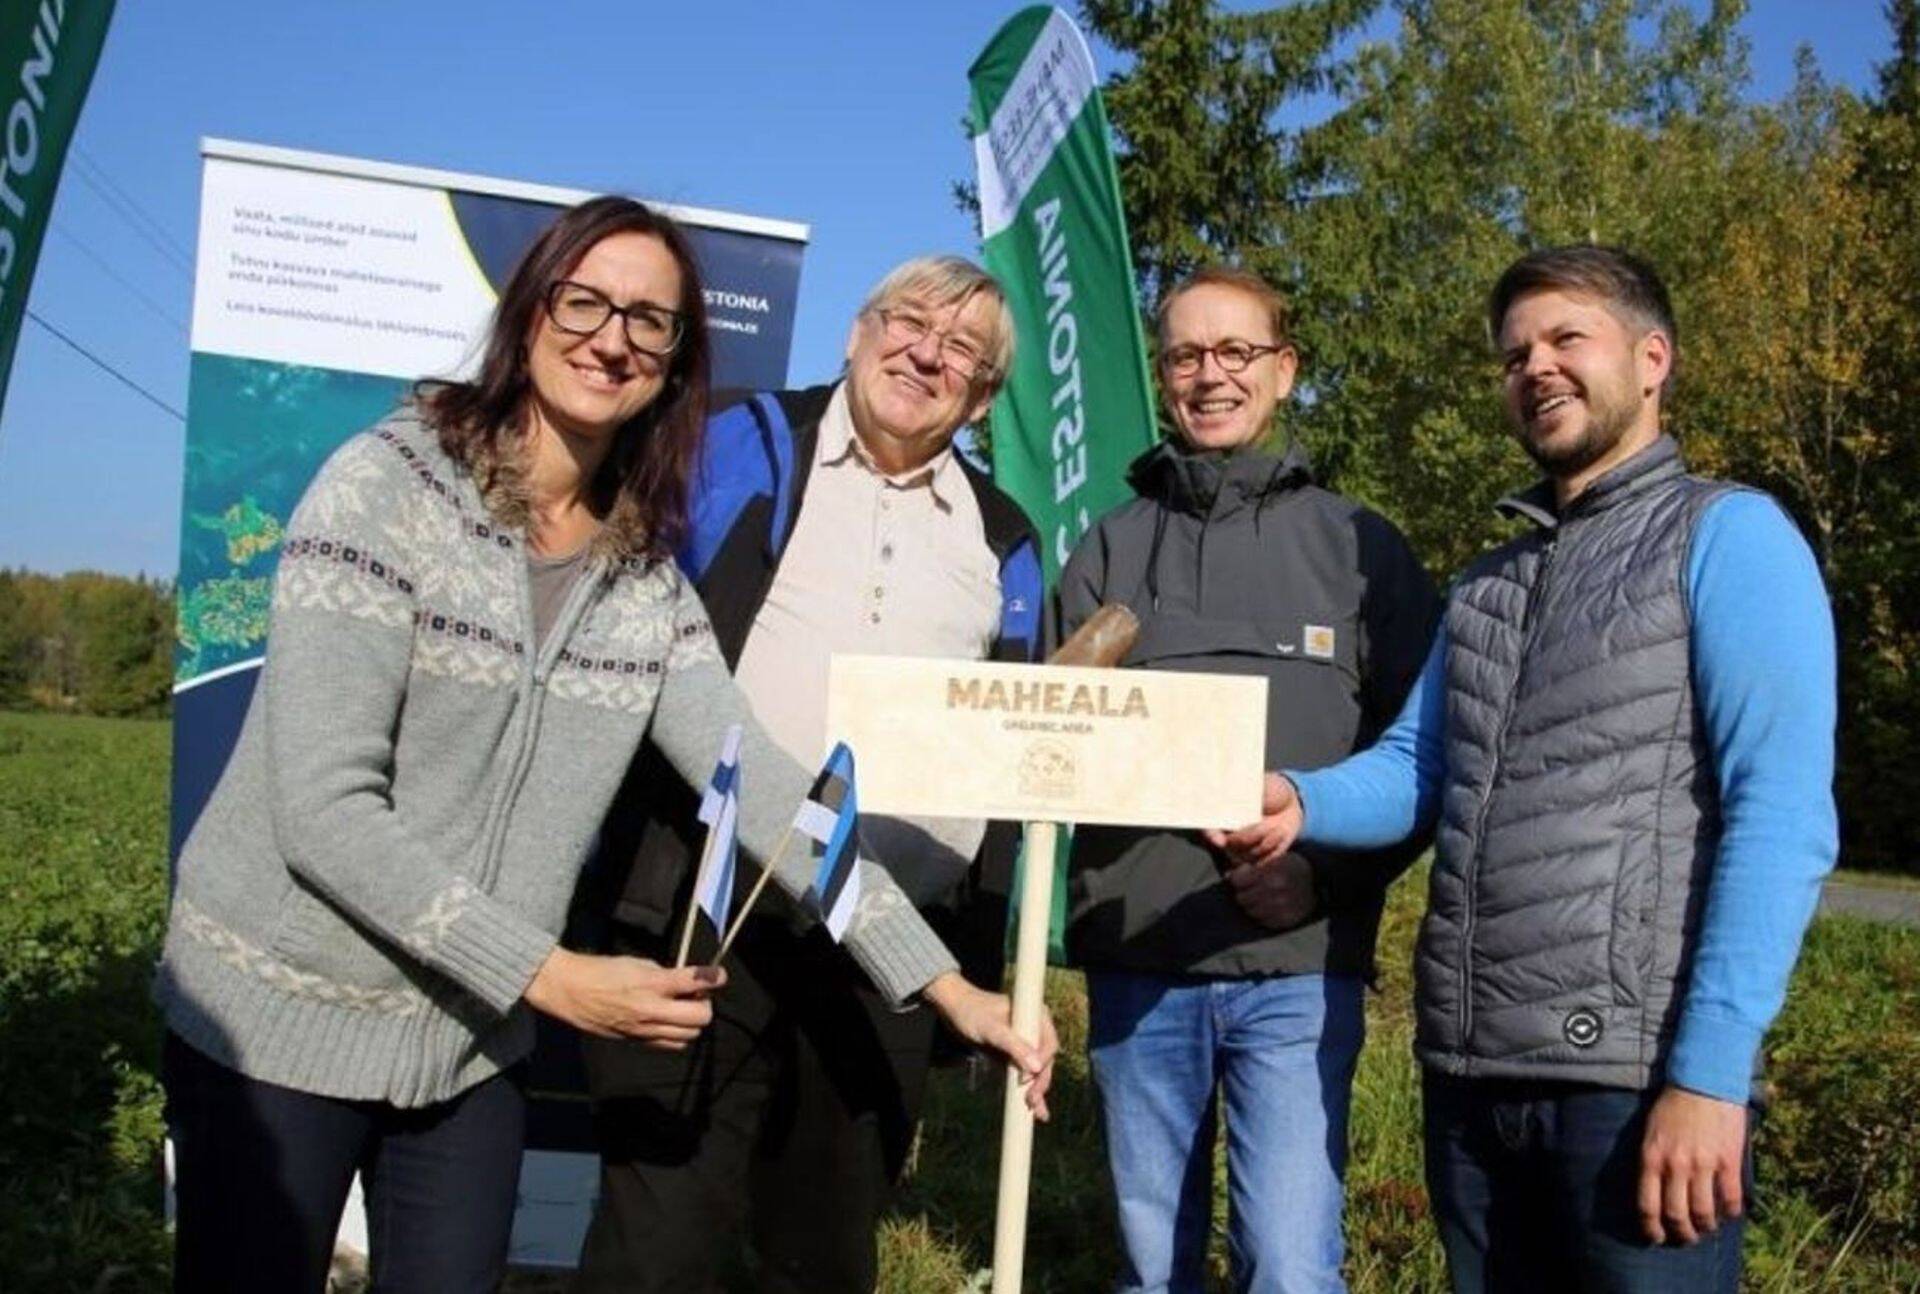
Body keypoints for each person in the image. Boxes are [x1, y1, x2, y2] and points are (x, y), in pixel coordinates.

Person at [154, 200, 1054, 1294]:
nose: (613, 336)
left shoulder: (643, 582)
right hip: (284, 1014)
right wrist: (553, 975)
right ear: (530, 313)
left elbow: (771, 793)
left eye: (652, 321)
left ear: (675, 363)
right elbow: (326, 810)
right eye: (586, 301)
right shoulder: (385, 488)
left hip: (466, 1039)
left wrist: (947, 985)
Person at [1256, 245, 1838, 1291]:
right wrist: (1296, 798)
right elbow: (1416, 766)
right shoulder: (1488, 584)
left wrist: (1708, 1078)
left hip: (1634, 1087)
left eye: (1569, 338)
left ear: (1652, 358)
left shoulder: (1731, 535)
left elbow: (1783, 816)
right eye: (1515, 353)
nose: (1537, 367)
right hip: (1473, 1084)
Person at [573, 255, 1050, 1294]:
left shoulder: (1005, 539)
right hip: (714, 914)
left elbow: (1010, 758)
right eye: (907, 320)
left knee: (823, 1261)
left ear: (983, 394)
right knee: (653, 1255)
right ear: (856, 331)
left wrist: (973, 952)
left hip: (886, 956)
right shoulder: (737, 445)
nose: (925, 351)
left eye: (960, 347)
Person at [1058, 265, 1439, 1294]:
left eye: (1237, 353)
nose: (1210, 376)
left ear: (1284, 372)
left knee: (1291, 1265)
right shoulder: (1104, 548)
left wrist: (1325, 879)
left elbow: (1425, 756)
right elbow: (1051, 750)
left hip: (1297, 969)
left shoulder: (1361, 550)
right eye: (1186, 354)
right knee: (1152, 1266)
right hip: (1140, 967)